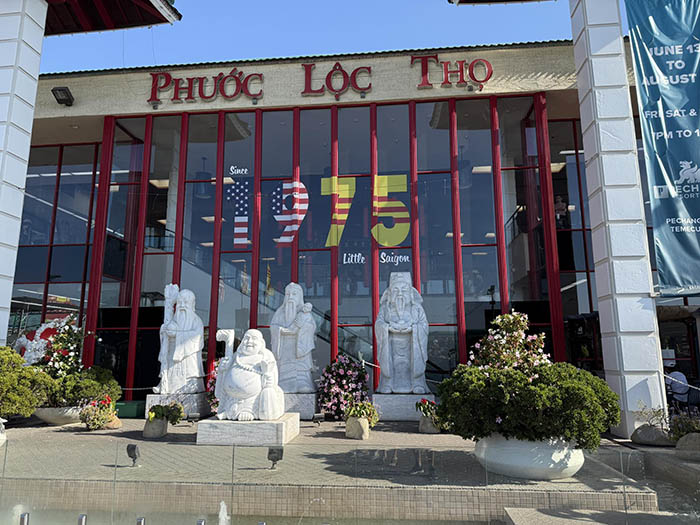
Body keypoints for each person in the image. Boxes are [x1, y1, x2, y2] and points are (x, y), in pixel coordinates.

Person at [375, 272, 429, 394]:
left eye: (403, 290)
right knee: (391, 364)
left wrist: (414, 329)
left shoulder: (417, 309)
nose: (400, 294)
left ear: (410, 293)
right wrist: (387, 328)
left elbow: (424, 325)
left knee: (412, 364)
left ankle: (417, 384)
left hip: (412, 344)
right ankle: (388, 384)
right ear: (389, 294)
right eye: (396, 290)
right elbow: (379, 323)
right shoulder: (385, 309)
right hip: (391, 345)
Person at [215, 329, 285, 421]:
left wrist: (268, 376)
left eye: (254, 338)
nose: (249, 341)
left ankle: (250, 411)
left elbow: (273, 379)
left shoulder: (266, 356)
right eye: (246, 338)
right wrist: (222, 368)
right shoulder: (236, 356)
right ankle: (228, 411)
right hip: (231, 397)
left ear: (261, 343)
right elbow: (225, 374)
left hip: (253, 398)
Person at [153, 286, 205, 394]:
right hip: (172, 353)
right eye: (180, 302)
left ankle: (191, 385)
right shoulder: (174, 320)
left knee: (189, 371)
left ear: (192, 304)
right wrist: (164, 331)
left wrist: (178, 335)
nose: (182, 305)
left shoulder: (197, 321)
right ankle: (165, 384)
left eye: (186, 302)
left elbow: (197, 338)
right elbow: (166, 332)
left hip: (188, 356)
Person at [270, 282, 316, 393]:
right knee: (284, 367)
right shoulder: (279, 313)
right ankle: (283, 383)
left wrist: (303, 327)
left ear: (299, 296)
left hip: (299, 345)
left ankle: (303, 381)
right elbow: (273, 327)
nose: (290, 297)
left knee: (301, 368)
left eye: (294, 294)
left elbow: (312, 327)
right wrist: (280, 331)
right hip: (284, 345)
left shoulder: (305, 314)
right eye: (288, 294)